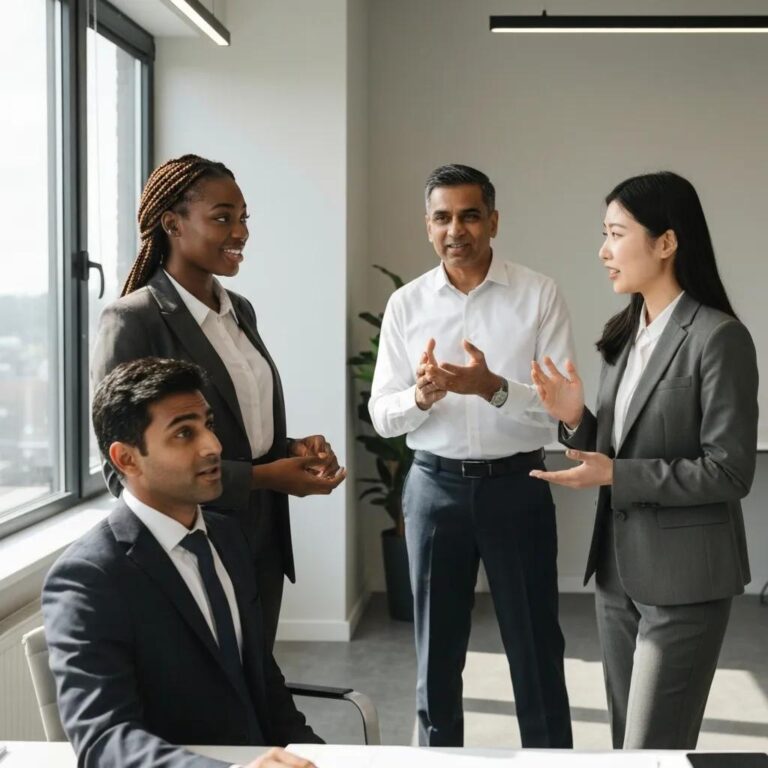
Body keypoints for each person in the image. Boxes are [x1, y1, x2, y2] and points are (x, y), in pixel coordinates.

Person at [530, 171, 758, 749]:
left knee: (651, 752)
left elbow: (731, 470)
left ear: (666, 242)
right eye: (603, 234)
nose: (603, 250)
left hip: (685, 580)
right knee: (624, 753)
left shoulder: (719, 338)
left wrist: (617, 474)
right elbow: (618, 446)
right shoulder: (623, 336)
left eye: (616, 233)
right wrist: (576, 419)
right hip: (617, 577)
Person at [91, 154, 346, 652]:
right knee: (208, 706)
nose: (241, 232)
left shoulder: (240, 311)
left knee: (256, 690)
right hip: (188, 546)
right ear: (172, 224)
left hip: (262, 540)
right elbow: (119, 468)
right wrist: (261, 477)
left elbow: (236, 425)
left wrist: (290, 450)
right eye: (222, 217)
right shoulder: (133, 320)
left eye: (244, 217)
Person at [369, 164, 574, 748]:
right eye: (442, 217)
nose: (455, 229)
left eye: (469, 215)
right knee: (436, 657)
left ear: (493, 221)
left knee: (536, 650)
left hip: (518, 486)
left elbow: (562, 410)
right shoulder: (406, 305)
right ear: (427, 226)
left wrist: (492, 387)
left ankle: (552, 763)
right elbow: (382, 413)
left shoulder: (538, 295)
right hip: (434, 490)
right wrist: (420, 396)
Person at [42, 357, 322, 768]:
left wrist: (319, 752)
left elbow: (262, 679)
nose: (213, 446)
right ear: (126, 459)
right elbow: (104, 741)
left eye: (208, 424)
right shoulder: (88, 579)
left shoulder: (227, 536)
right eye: (184, 433)